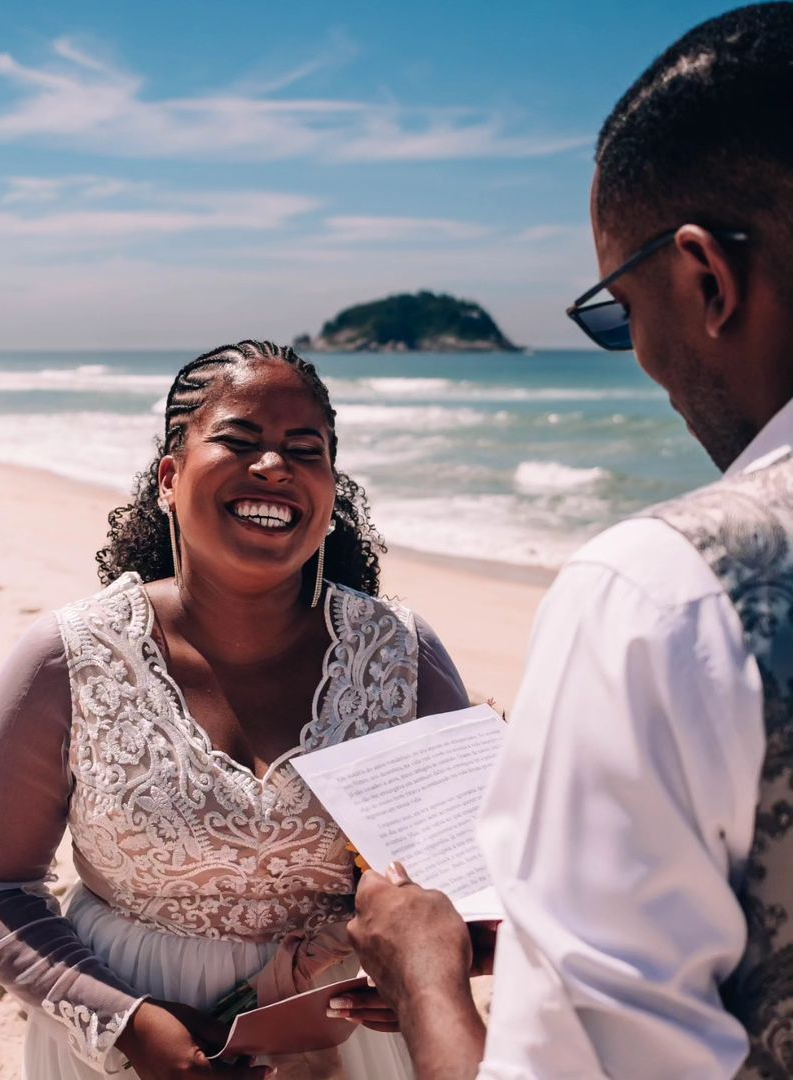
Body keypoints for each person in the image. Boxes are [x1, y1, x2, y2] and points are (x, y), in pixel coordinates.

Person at [346, 5, 793, 1078]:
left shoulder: (664, 595)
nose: (640, 359)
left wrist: (425, 976)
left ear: (706, 282)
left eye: (618, 315)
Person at [0, 340, 469, 1079]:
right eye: (239, 441)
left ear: (330, 489)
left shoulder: (403, 657)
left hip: (349, 1043)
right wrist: (124, 1022)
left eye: (302, 450)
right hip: (126, 1038)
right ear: (168, 477)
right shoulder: (70, 657)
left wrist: (419, 972)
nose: (274, 466)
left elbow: (468, 893)